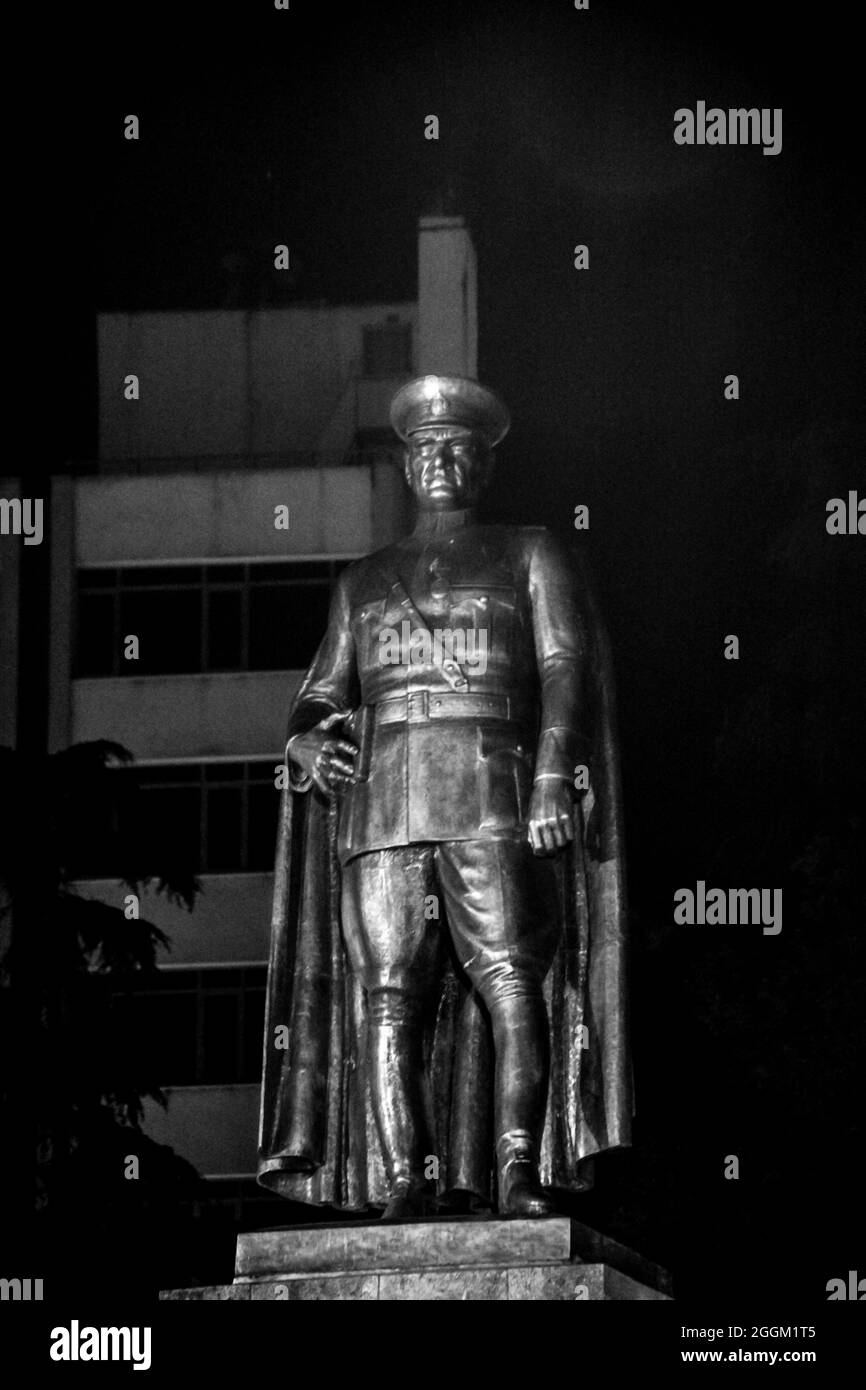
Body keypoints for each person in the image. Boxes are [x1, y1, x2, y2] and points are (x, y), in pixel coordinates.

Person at [258, 375, 631, 1220]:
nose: (441, 462)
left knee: (510, 983)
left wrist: (551, 773)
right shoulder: (362, 581)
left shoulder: (533, 552)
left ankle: (516, 1173)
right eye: (426, 450)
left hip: (492, 792)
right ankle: (403, 1185)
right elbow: (320, 695)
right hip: (383, 807)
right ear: (405, 466)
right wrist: (304, 739)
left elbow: (566, 666)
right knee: (388, 1000)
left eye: (459, 449)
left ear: (483, 468)